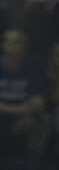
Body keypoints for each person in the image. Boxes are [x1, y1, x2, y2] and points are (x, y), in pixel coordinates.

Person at [0, 28, 47, 157]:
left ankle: (33, 167)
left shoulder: (32, 68)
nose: (20, 47)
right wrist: (22, 109)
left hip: (22, 119)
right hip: (7, 115)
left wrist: (23, 111)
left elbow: (39, 104)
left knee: (42, 120)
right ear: (3, 45)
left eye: (22, 43)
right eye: (15, 42)